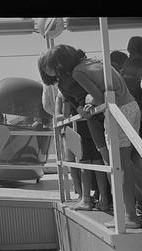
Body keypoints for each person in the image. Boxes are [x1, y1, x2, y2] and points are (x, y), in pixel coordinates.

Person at [40, 44, 142, 228]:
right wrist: (90, 100)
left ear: (60, 64)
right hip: (131, 107)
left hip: (118, 111)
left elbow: (98, 95)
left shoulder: (78, 73)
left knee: (119, 167)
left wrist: (89, 103)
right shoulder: (93, 62)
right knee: (126, 165)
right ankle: (133, 213)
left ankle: (130, 217)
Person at [39, 59, 111, 211]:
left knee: (83, 161)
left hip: (80, 125)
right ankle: (103, 197)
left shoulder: (65, 85)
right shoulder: (80, 77)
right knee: (99, 161)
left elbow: (63, 112)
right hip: (96, 120)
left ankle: (85, 197)